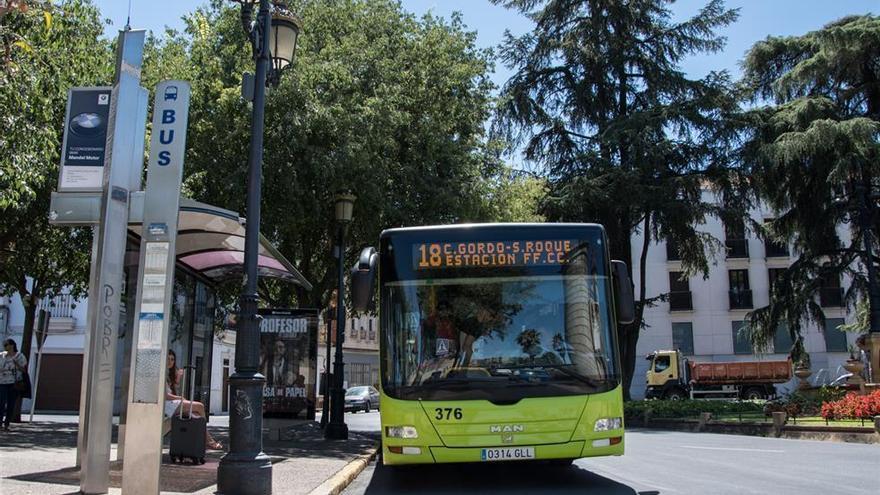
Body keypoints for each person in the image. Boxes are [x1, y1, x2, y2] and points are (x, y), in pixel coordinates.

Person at [165, 349, 223, 450]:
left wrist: (177, 378)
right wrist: (180, 398)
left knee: (196, 414)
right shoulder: (161, 374)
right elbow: (165, 395)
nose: (170, 361)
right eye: (168, 359)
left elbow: (173, 389)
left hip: (171, 404)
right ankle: (208, 441)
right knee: (200, 406)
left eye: (172, 359)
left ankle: (203, 440)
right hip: (166, 405)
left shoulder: (168, 374)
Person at [0, 338, 27, 431]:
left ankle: (6, 424)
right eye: (4, 345)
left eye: (6, 345)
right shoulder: (2, 355)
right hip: (2, 382)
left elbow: (24, 370)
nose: (5, 347)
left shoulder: (20, 356)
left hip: (14, 383)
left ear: (12, 345)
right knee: (1, 403)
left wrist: (16, 364)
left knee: (11, 404)